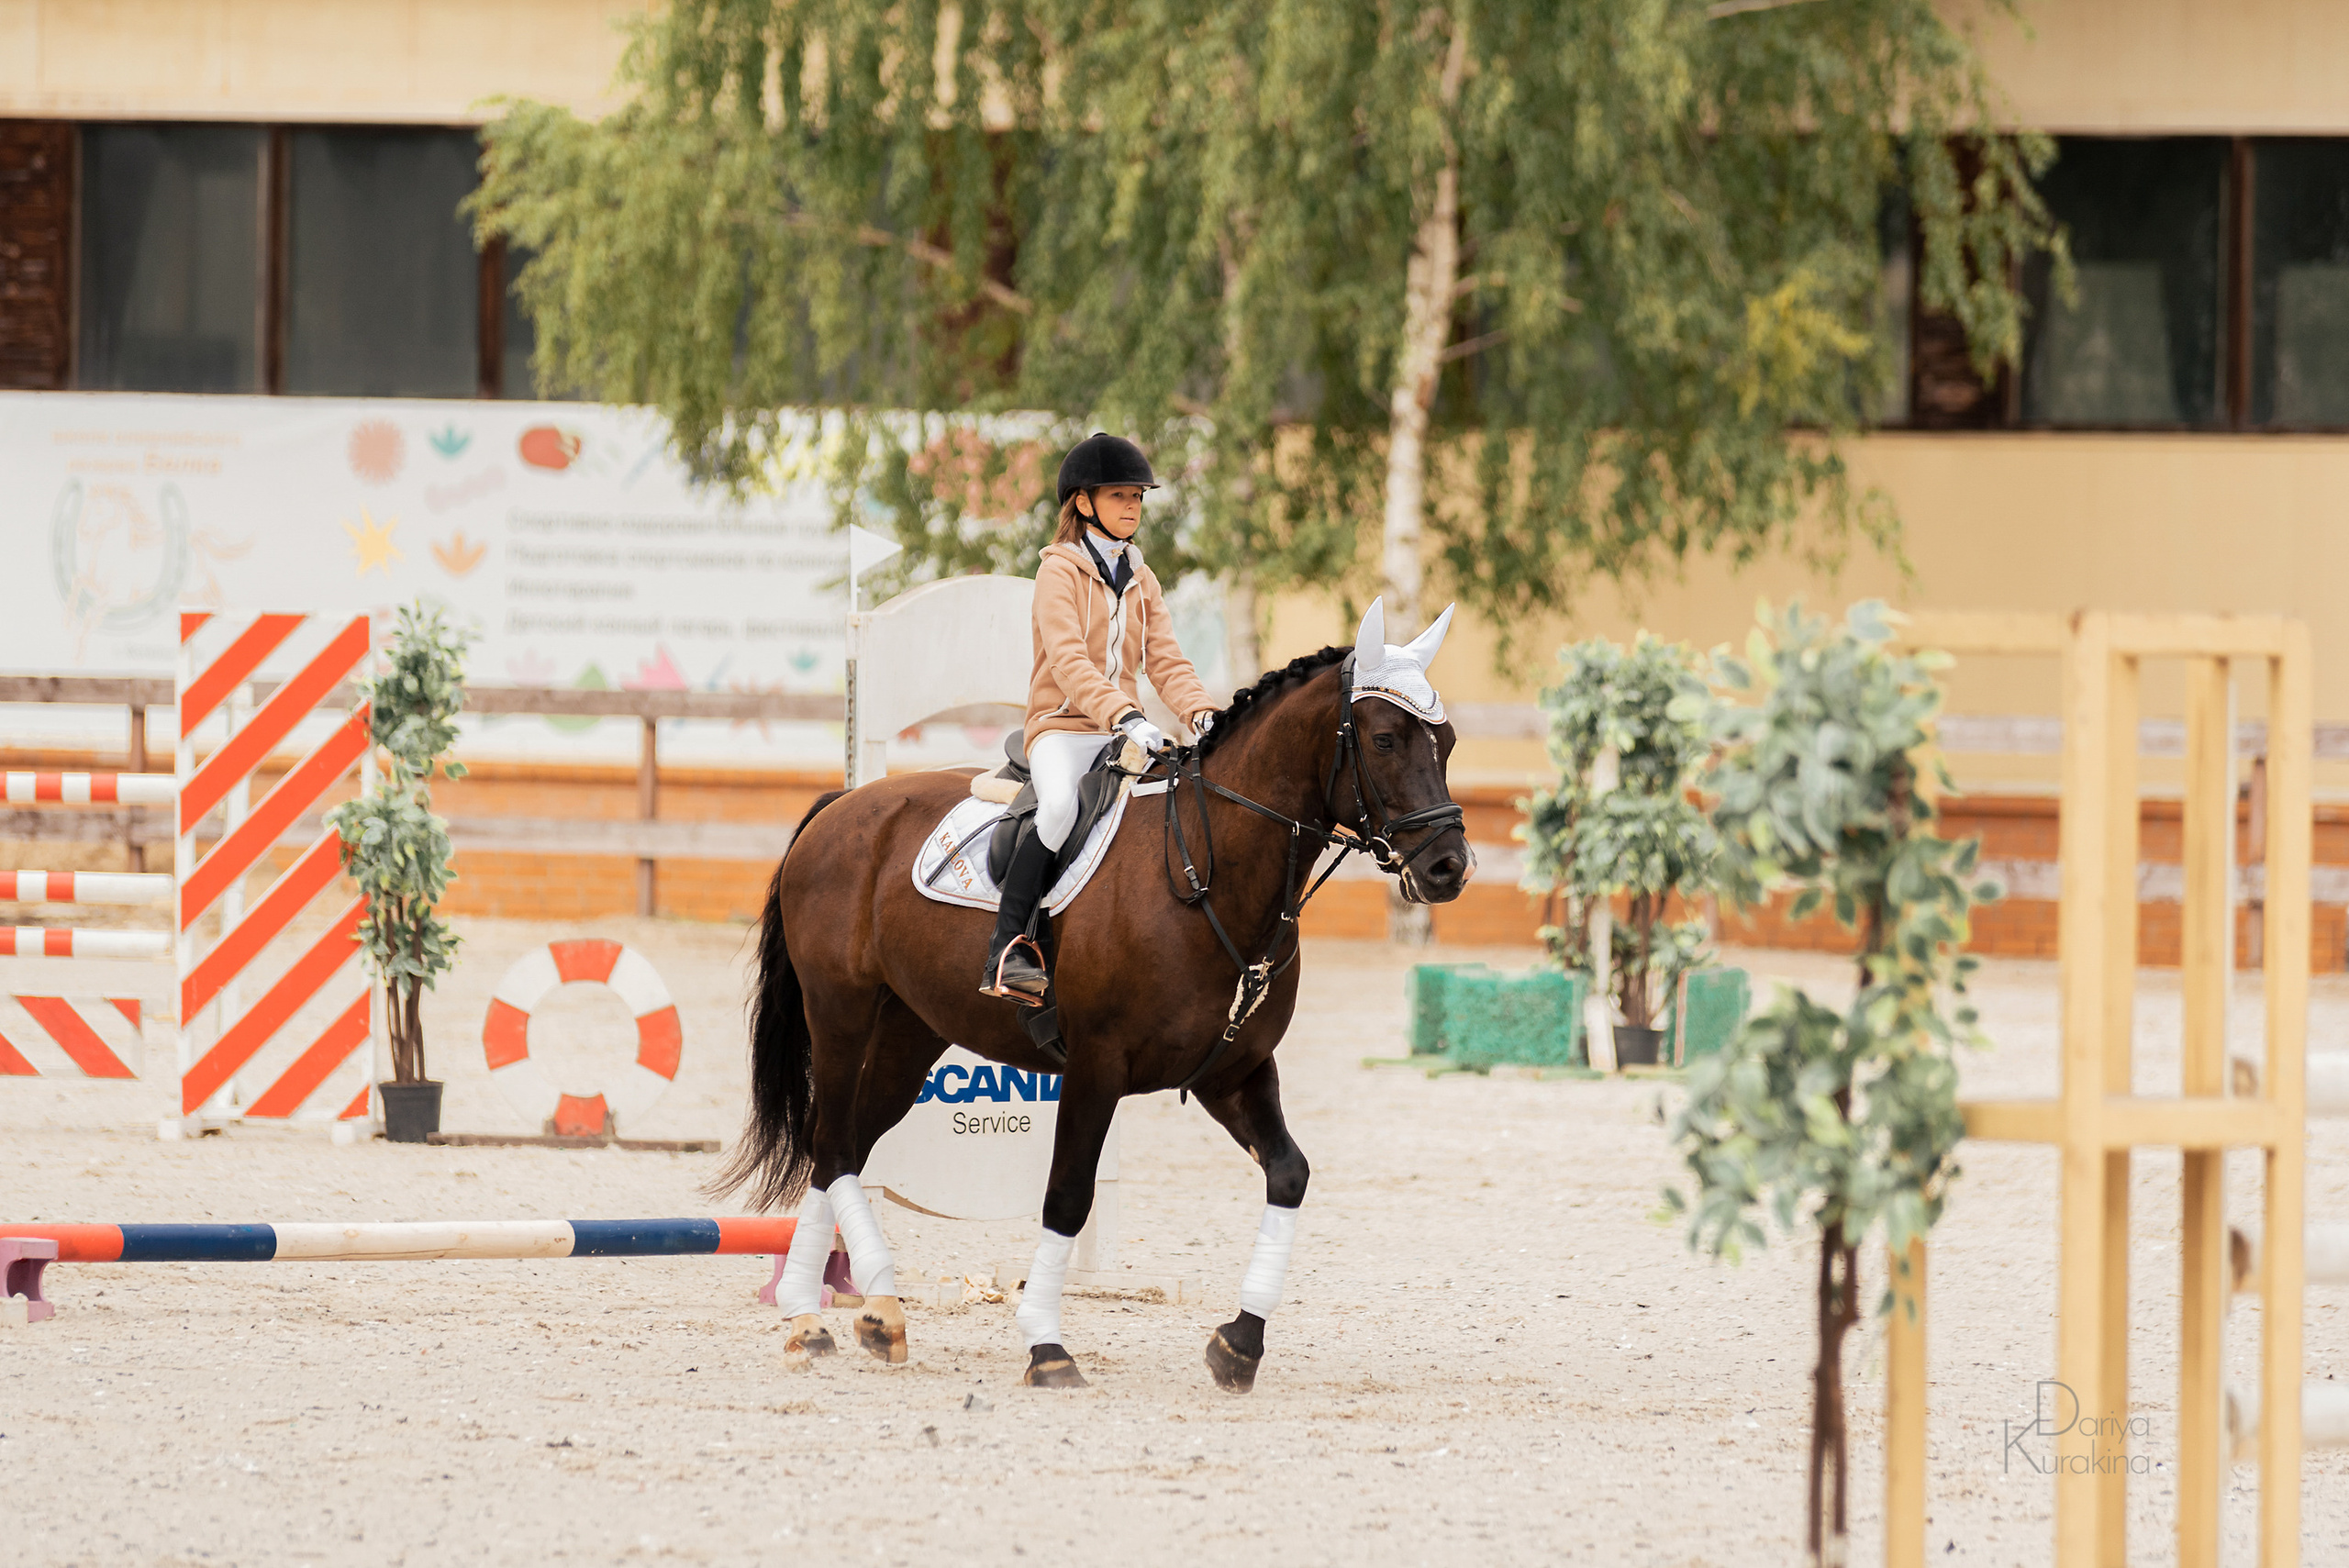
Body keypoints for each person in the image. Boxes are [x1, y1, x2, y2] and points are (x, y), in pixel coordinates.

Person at [981, 432, 1219, 1002]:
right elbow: (1068, 662)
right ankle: (1009, 948)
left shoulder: (1142, 577)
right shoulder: (1057, 573)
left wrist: (1203, 714)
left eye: (1137, 496)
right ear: (1084, 502)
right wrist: (1127, 715)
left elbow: (1167, 661)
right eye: (1119, 496)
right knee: (1059, 808)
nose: (1133, 506)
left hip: (1123, 736)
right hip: (1061, 730)